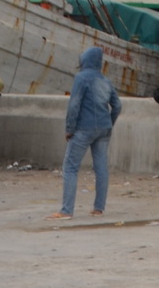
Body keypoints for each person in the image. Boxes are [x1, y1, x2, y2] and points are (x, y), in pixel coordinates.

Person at [48, 47, 122, 219]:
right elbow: (117, 106)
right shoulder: (105, 80)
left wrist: (69, 128)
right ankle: (98, 208)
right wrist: (109, 123)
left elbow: (74, 104)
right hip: (104, 129)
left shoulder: (81, 78)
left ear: (84, 60)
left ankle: (66, 210)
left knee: (70, 167)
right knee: (101, 168)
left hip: (84, 128)